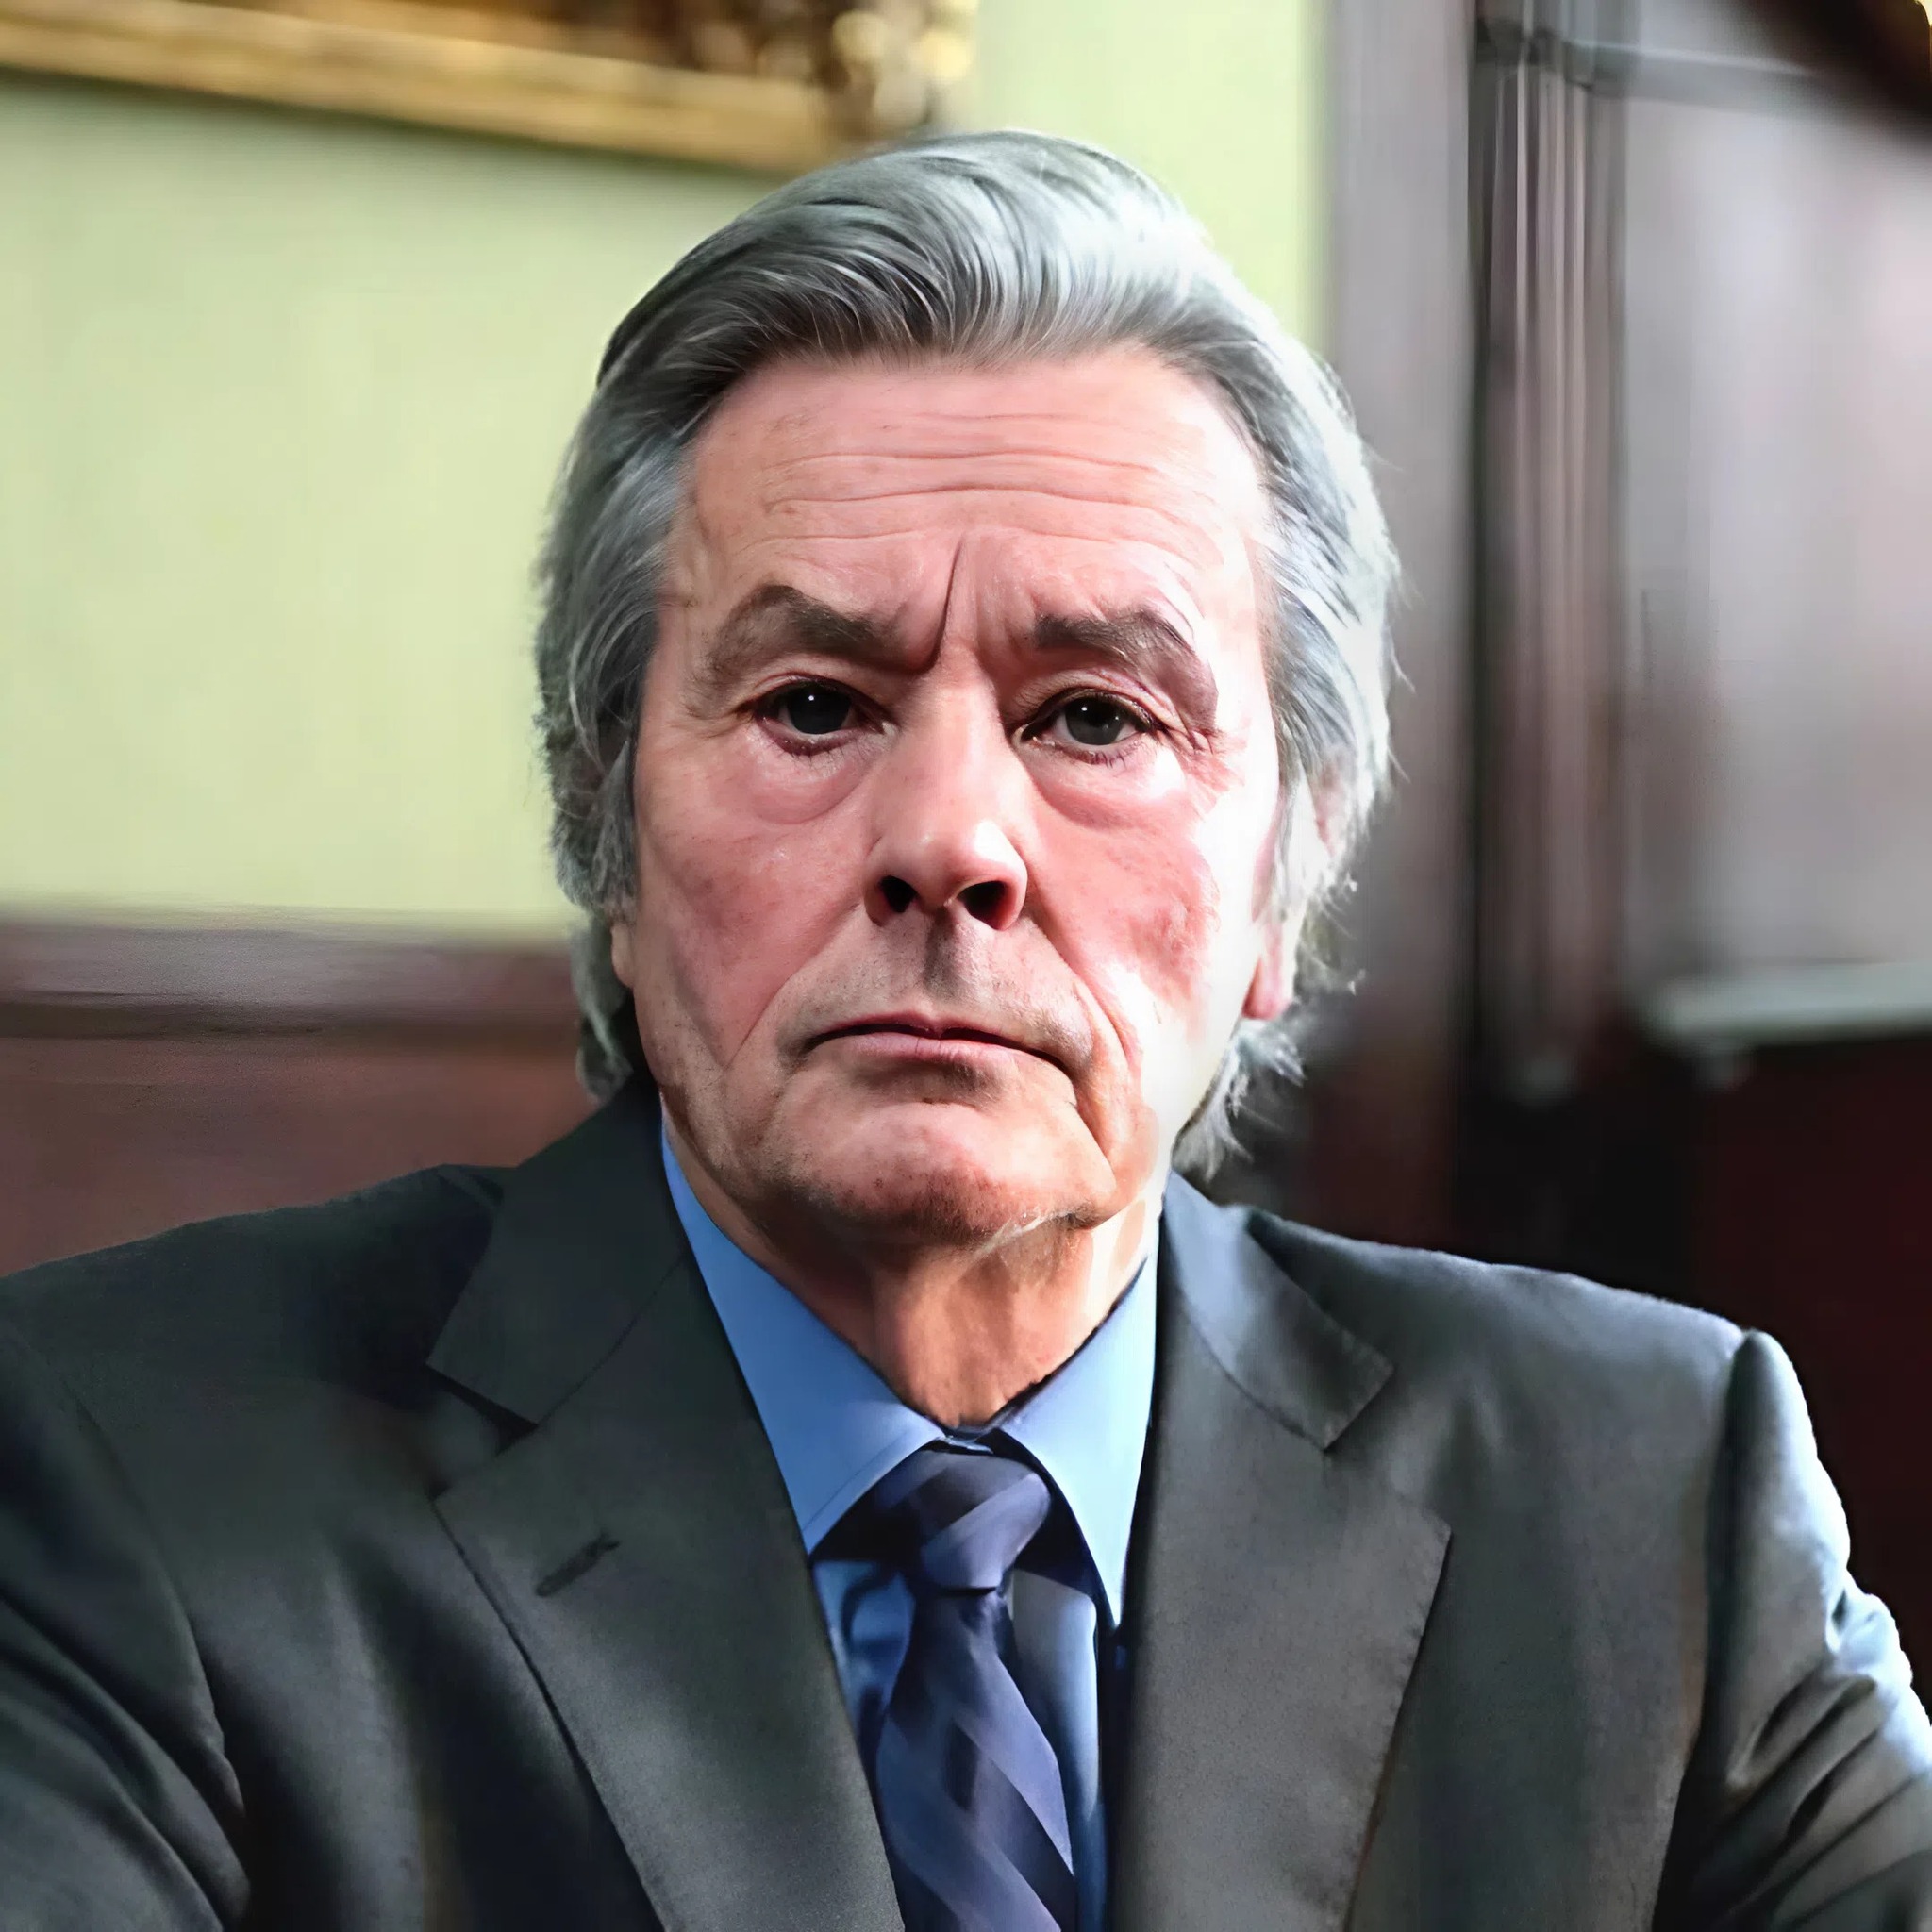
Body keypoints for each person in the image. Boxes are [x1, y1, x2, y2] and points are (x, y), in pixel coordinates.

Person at [0, 132, 1925, 1932]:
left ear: (1285, 878)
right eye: (814, 706)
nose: (951, 842)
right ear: (607, 832)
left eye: (1093, 716)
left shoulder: (1650, 1503)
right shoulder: (117, 1476)